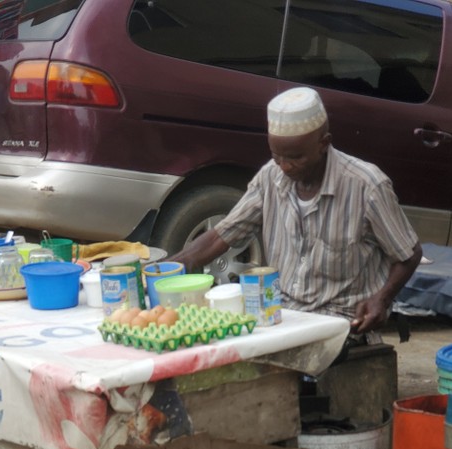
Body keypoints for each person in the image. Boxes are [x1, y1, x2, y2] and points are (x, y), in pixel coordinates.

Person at [169, 86, 422, 349]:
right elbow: (223, 234)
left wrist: (382, 299)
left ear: (324, 143)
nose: (285, 166)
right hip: (283, 318)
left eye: (295, 157)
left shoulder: (367, 185)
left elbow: (409, 253)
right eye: (277, 156)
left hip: (340, 328)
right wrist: (175, 265)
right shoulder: (271, 176)